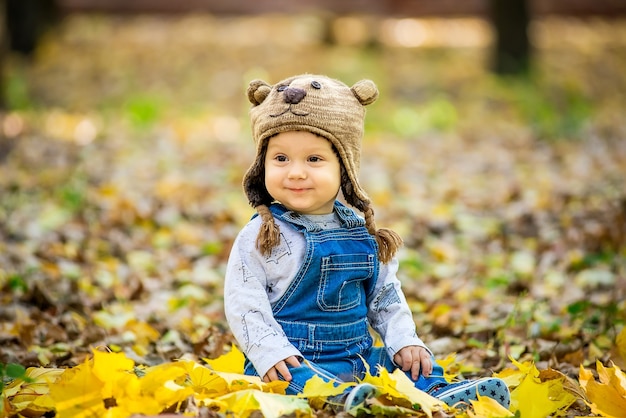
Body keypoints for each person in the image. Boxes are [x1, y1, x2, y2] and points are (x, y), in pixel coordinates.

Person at [223, 74, 510, 412]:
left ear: (344, 169)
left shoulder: (361, 231)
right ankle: (341, 400)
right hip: (292, 359)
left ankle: (438, 391)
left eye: (313, 160)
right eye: (281, 159)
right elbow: (244, 303)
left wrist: (404, 341)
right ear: (262, 165)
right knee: (294, 380)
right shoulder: (261, 235)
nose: (296, 172)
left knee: (410, 365)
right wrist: (271, 352)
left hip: (359, 356)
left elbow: (385, 296)